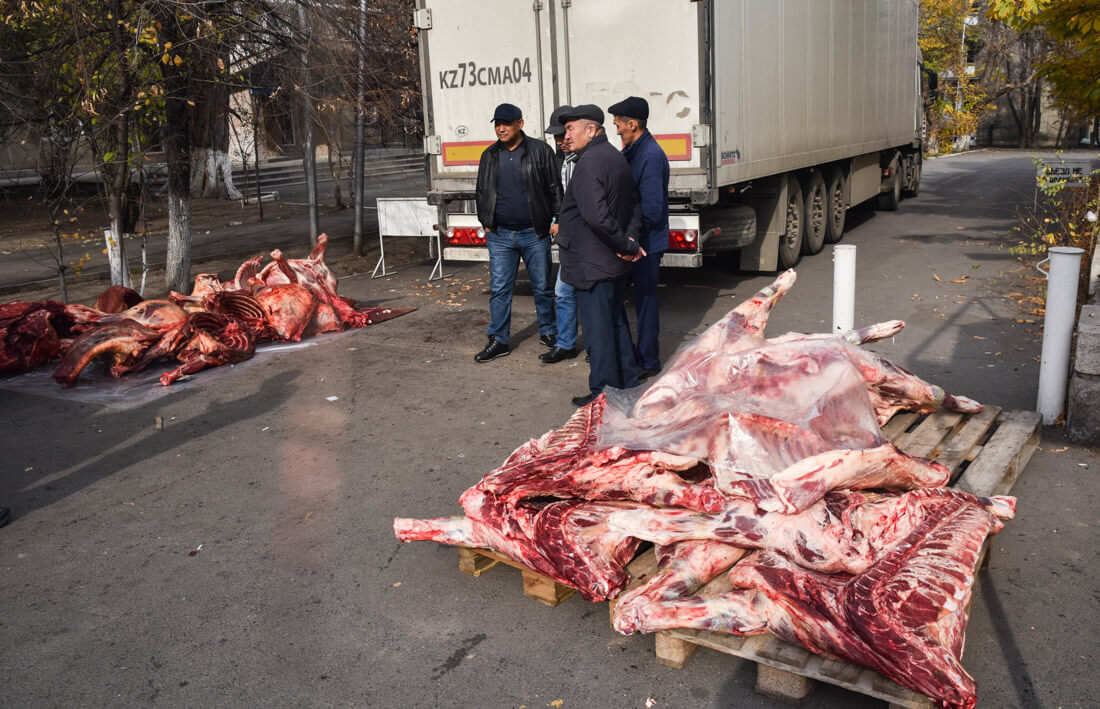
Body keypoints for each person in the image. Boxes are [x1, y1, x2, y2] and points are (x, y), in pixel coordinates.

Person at [555, 105, 645, 406]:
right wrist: (629, 241)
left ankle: (602, 397)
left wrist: (627, 245)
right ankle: (627, 387)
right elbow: (633, 204)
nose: (566, 136)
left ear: (590, 130)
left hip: (591, 264)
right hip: (608, 261)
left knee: (598, 332)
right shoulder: (614, 156)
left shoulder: (590, 161)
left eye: (570, 130)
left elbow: (597, 217)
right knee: (615, 323)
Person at [473, 103, 562, 363]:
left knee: (543, 287)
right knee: (500, 289)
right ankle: (499, 340)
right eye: (497, 124)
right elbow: (481, 191)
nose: (501, 128)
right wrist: (485, 222)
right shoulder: (489, 155)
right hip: (500, 235)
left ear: (519, 124)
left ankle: (548, 331)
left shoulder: (539, 151)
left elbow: (555, 188)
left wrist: (557, 219)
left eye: (506, 123)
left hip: (534, 233)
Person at [610, 96, 670, 380]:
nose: (616, 128)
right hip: (636, 239)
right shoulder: (634, 150)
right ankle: (636, 353)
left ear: (632, 124)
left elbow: (652, 209)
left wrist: (631, 240)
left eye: (619, 124)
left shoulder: (650, 156)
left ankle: (648, 359)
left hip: (645, 242)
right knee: (634, 299)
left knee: (645, 301)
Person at [541, 105, 581, 364]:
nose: (559, 141)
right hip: (569, 239)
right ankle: (566, 343)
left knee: (592, 297)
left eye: (563, 135)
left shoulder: (590, 159)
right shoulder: (561, 161)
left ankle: (599, 346)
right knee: (563, 292)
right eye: (555, 137)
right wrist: (556, 219)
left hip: (589, 241)